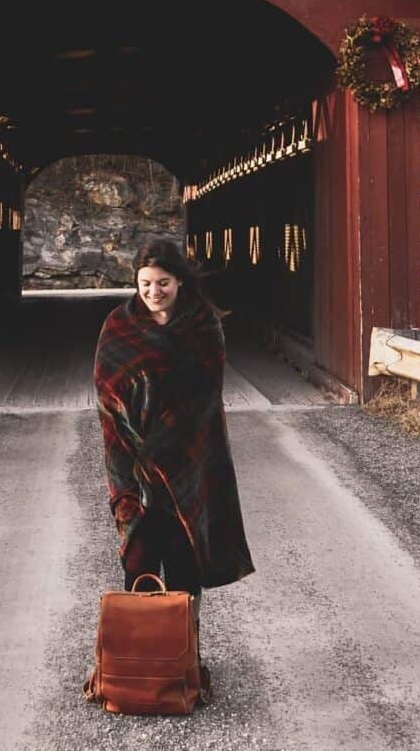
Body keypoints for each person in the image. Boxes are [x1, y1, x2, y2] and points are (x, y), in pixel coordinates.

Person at [93, 238, 256, 674]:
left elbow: (203, 401)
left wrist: (162, 451)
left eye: (163, 283)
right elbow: (107, 397)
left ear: (180, 281)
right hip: (133, 469)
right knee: (140, 563)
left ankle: (184, 659)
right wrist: (136, 459)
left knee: (184, 567)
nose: (153, 292)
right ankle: (140, 662)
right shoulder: (118, 327)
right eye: (145, 283)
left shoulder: (203, 327)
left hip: (188, 466)